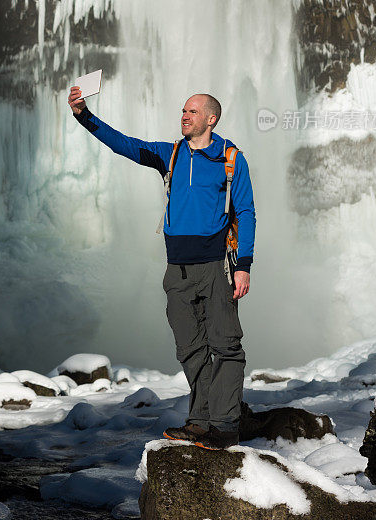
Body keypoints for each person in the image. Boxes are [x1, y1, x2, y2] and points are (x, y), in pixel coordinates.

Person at [68, 87, 256, 450]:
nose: (184, 116)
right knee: (190, 348)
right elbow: (122, 144)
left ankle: (226, 424)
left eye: (192, 111)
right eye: (183, 110)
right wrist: (84, 116)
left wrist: (244, 265)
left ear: (211, 119)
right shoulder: (169, 154)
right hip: (177, 270)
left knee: (226, 346)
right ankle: (201, 421)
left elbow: (245, 211)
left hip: (217, 266)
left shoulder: (230, 158)